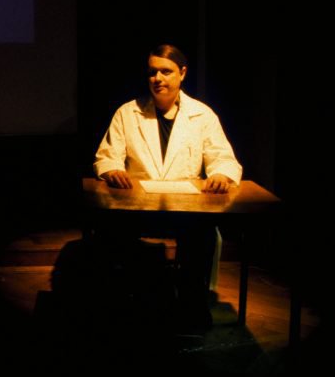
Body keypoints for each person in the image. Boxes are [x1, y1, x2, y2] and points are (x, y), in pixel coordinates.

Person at [93, 44, 242, 329]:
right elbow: (107, 155)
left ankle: (192, 307)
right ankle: (129, 304)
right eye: (152, 72)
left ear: (182, 73)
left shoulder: (202, 115)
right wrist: (112, 170)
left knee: (204, 234)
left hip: (185, 209)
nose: (158, 78)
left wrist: (221, 174)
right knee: (111, 230)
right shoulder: (127, 113)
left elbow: (222, 157)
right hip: (138, 208)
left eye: (166, 71)